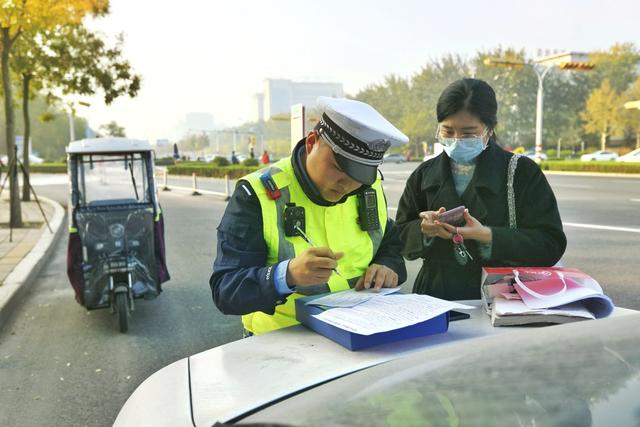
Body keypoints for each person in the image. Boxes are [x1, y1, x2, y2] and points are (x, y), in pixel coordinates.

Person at [210, 97, 409, 335]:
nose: (346, 184)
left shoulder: (369, 187)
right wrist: (287, 275)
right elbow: (226, 290)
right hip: (282, 342)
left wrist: (386, 265)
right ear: (313, 142)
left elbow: (391, 244)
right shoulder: (259, 193)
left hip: (361, 331)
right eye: (338, 168)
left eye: (360, 175)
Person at [395, 78, 566, 300]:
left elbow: (550, 243)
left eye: (468, 134)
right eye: (448, 131)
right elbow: (398, 236)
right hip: (435, 294)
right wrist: (424, 230)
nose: (457, 141)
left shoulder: (521, 172)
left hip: (501, 294)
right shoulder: (424, 174)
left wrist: (489, 236)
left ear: (489, 128)